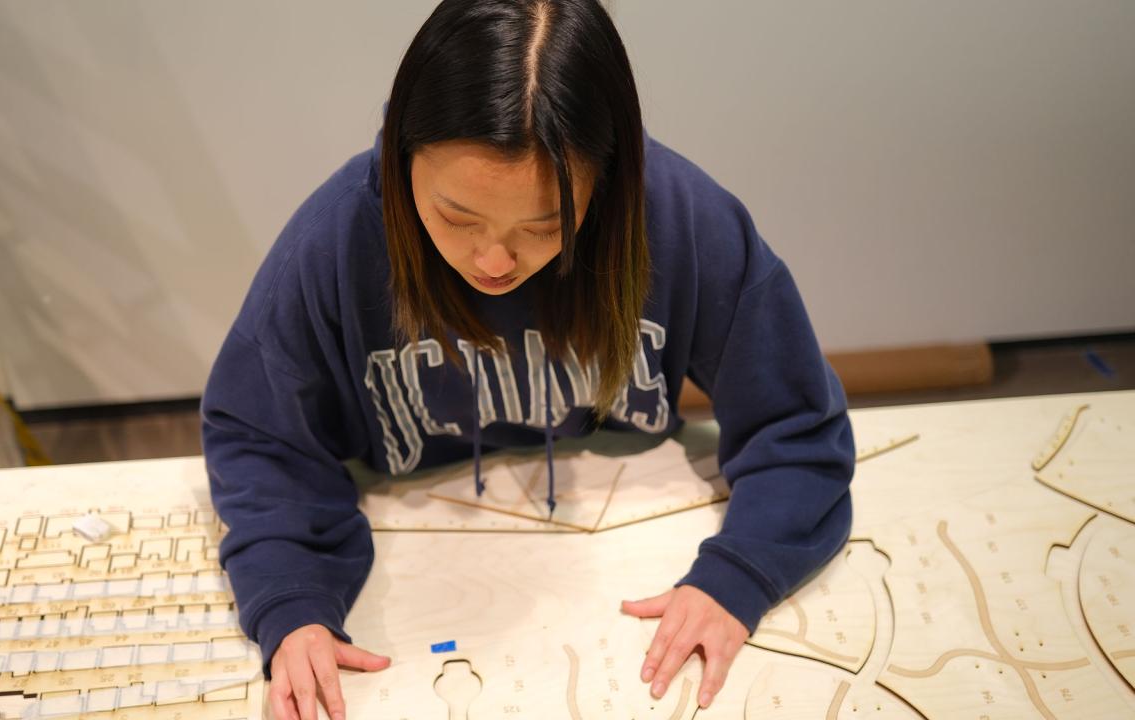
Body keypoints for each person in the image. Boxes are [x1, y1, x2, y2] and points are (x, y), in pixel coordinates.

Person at [202, 0, 855, 718]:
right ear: (400, 156)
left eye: (547, 226)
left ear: (605, 183)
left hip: (628, 537)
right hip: (418, 561)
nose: (493, 260)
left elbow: (798, 427)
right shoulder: (333, 241)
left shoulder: (681, 219)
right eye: (456, 217)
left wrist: (741, 575)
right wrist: (292, 601)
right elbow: (260, 438)